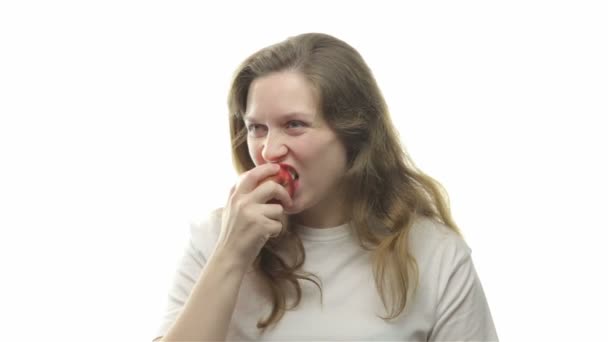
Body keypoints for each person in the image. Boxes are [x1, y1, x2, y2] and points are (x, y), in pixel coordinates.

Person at [153, 32, 498, 341]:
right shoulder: (215, 240)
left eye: (295, 125)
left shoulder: (435, 255)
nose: (270, 150)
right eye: (257, 128)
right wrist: (231, 255)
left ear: (353, 134)